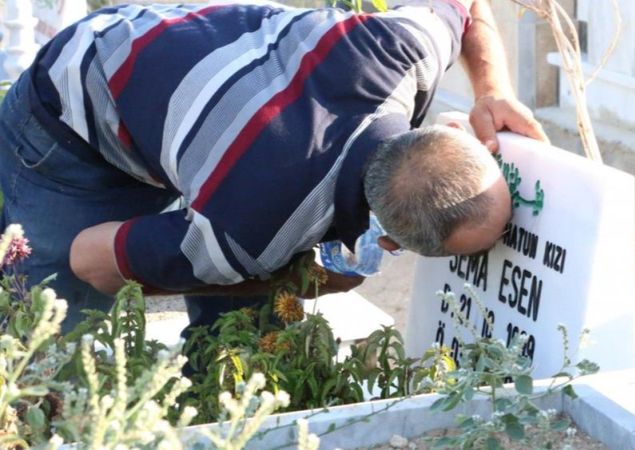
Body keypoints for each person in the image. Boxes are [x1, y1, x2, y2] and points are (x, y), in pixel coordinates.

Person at [0, 0, 548, 332]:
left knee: (230, 278)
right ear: (392, 243)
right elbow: (88, 257)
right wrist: (288, 275)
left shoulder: (399, 48)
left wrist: (492, 90)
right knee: (44, 330)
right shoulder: (252, 231)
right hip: (68, 115)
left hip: (160, 53)